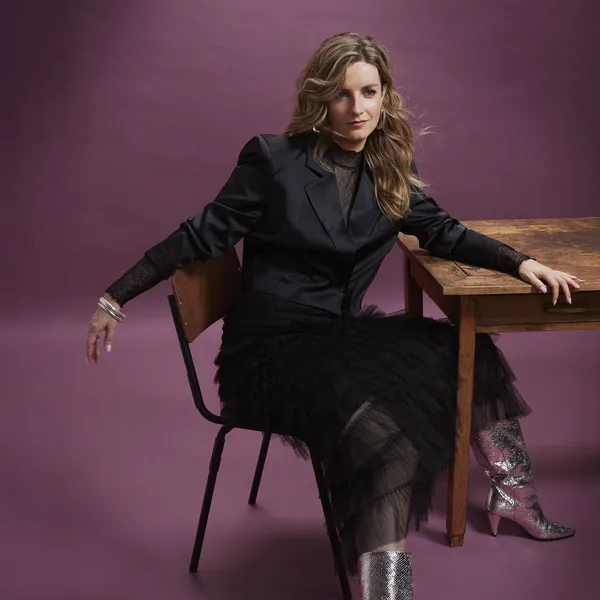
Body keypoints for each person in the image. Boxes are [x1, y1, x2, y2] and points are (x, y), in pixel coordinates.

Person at [86, 32, 579, 600]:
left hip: (342, 336)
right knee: (387, 444)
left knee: (473, 352)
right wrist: (115, 296)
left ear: (385, 94)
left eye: (369, 92)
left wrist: (521, 262)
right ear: (320, 98)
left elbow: (443, 231)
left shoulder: (390, 166)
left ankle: (513, 495)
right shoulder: (273, 159)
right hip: (270, 349)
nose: (358, 108)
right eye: (342, 94)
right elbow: (200, 235)